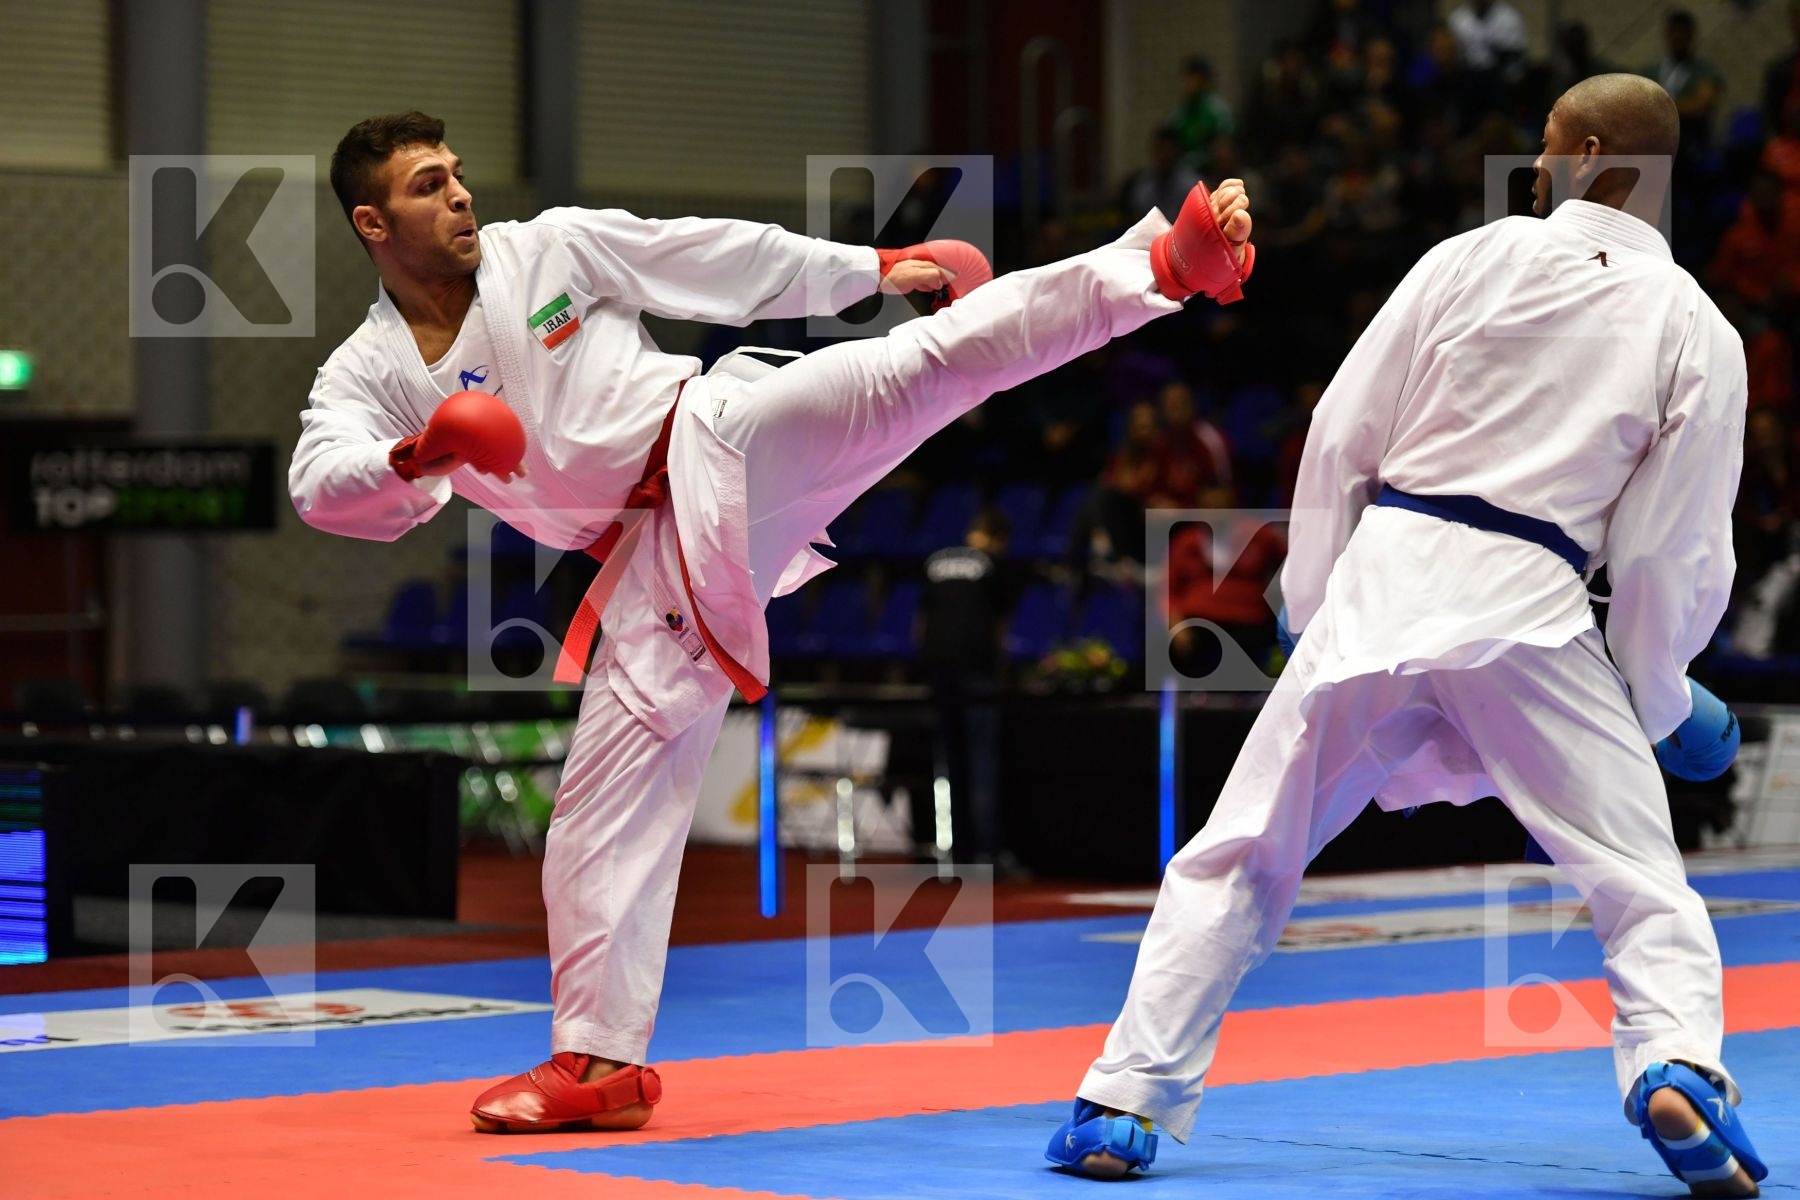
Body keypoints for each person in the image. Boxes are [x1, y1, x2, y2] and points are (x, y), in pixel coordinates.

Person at [291, 111, 1255, 1134]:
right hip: (649, 568)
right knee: (592, 821)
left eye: (457, 174)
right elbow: (317, 482)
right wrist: (413, 458)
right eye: (429, 185)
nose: (459, 193)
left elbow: (713, 257)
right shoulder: (371, 371)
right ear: (372, 222)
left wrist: (873, 267)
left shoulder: (550, 249)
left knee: (920, 366)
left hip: (719, 439)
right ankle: (600, 1063)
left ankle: (1160, 264)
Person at [1047, 75, 1769, 1198]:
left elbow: (1340, 436)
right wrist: (1661, 696)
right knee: (1637, 879)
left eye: (1542, 144)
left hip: (1385, 579)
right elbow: (1670, 551)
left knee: (1238, 854)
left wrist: (1309, 611)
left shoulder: (1462, 261)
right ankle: (1677, 1063)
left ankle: (1121, 1100)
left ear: (1584, 150)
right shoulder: (1697, 328)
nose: (1532, 165)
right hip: (1531, 609)